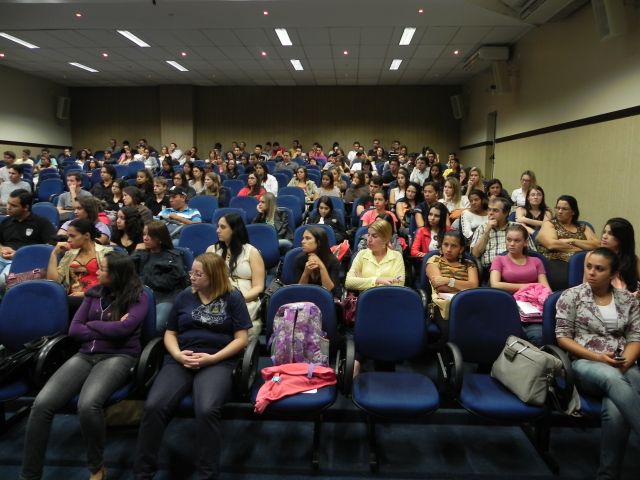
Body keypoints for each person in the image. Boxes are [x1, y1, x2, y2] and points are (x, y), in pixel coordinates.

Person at [21, 252, 148, 480]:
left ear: (117, 274)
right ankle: (30, 475)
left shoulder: (138, 296)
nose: (97, 272)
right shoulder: (93, 293)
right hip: (85, 354)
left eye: (103, 269)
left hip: (118, 356)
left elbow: (124, 330)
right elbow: (74, 329)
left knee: (88, 405)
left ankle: (97, 468)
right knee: (41, 405)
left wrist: (93, 324)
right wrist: (107, 327)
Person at [134, 253, 251, 480]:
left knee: (207, 410)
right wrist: (178, 355)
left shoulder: (233, 297)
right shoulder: (185, 296)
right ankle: (143, 473)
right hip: (182, 358)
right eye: (192, 272)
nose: (192, 277)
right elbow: (170, 333)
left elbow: (241, 339)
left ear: (214, 276)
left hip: (218, 360)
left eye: (198, 274)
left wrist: (212, 358)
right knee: (154, 406)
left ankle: (208, 474)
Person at [555, 247, 640, 480]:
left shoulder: (627, 300)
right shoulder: (572, 296)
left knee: (616, 408)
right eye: (589, 267)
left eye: (599, 269)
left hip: (622, 364)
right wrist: (599, 358)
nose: (591, 272)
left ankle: (607, 475)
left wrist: (623, 364)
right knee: (612, 378)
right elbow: (563, 338)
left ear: (613, 274)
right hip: (585, 363)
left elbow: (635, 338)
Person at [490, 224, 550, 345]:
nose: (512, 244)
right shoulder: (499, 259)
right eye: (509, 240)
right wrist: (528, 286)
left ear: (525, 242)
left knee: (539, 337)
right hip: (509, 306)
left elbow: (546, 288)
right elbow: (495, 284)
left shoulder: (536, 261)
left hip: (532, 310)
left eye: (517, 241)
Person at [207, 213, 265, 339]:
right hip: (216, 297)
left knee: (236, 320)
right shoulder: (212, 250)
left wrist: (238, 300)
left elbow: (258, 287)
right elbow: (206, 279)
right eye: (218, 226)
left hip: (245, 299)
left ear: (234, 230)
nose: (218, 230)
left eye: (223, 227)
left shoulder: (251, 252)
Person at [48, 218, 114, 316]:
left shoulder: (106, 253)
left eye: (72, 236)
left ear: (87, 235)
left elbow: (113, 284)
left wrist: (85, 294)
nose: (69, 240)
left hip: (97, 298)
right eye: (68, 236)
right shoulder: (70, 254)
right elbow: (53, 282)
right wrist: (54, 254)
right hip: (72, 299)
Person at [132, 221, 188, 331]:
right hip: (140, 296)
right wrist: (135, 252)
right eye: (144, 234)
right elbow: (126, 273)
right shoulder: (140, 254)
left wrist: (142, 279)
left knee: (155, 327)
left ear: (160, 238)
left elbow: (166, 283)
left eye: (150, 235)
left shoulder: (173, 257)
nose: (145, 238)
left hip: (165, 298)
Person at [537, 195, 599, 290]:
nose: (560, 211)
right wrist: (584, 247)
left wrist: (572, 241)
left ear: (573, 212)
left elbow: (597, 245)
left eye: (564, 209)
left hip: (585, 261)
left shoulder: (582, 226)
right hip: (557, 260)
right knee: (565, 283)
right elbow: (552, 244)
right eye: (558, 208)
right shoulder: (550, 224)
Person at [0, 189, 56, 286]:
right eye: (8, 203)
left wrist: (19, 254)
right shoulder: (6, 221)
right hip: (2, 258)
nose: (8, 207)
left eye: (14, 206)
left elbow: (51, 248)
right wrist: (2, 248)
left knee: (2, 280)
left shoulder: (42, 223)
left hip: (26, 261)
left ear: (26, 207)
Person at [471, 196, 536, 275]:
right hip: (491, 269)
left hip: (517, 267)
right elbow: (475, 254)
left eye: (495, 210)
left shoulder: (518, 228)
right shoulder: (482, 228)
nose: (490, 213)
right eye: (489, 209)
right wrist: (487, 230)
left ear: (506, 213)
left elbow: (532, 253)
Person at [426, 229, 479, 326]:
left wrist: (448, 281)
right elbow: (440, 287)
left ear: (461, 249)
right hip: (442, 306)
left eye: (454, 246)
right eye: (445, 244)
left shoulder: (469, 264)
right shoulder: (434, 260)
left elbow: (474, 286)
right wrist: (464, 287)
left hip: (466, 303)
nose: (448, 249)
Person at [345, 219, 405, 292]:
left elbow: (399, 284)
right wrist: (378, 280)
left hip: (389, 297)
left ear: (385, 239)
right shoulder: (361, 254)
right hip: (366, 298)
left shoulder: (397, 256)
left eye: (374, 236)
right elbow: (349, 282)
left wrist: (362, 281)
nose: (369, 239)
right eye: (368, 235)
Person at [594, 218, 640, 293]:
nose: (604, 236)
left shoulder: (633, 259)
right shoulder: (594, 257)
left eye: (610, 234)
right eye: (604, 232)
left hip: (629, 298)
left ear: (622, 237)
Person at [293, 226, 341, 297]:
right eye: (303, 238)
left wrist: (321, 266)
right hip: (305, 297)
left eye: (308, 238)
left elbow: (328, 289)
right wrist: (306, 273)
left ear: (318, 242)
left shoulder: (333, 261)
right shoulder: (300, 259)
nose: (302, 241)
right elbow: (299, 291)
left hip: (326, 298)